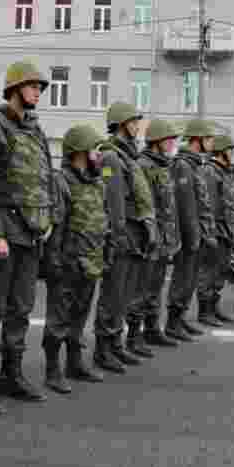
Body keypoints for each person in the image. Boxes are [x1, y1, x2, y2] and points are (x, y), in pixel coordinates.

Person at [0, 60, 55, 414]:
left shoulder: (34, 129)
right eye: (33, 85)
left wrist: (47, 219)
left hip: (32, 234)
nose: (38, 92)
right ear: (15, 87)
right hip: (4, 234)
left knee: (21, 308)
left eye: (40, 86)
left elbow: (46, 177)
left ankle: (12, 374)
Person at [40, 123, 107, 393]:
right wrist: (53, 261)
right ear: (80, 151)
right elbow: (57, 223)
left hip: (91, 261)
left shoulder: (96, 183)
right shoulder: (62, 181)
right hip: (68, 262)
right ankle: (52, 370)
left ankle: (75, 363)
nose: (98, 154)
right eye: (95, 149)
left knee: (80, 315)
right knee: (58, 319)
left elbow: (102, 221)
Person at [94, 103, 157, 371]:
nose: (136, 126)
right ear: (121, 124)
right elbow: (114, 201)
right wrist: (117, 237)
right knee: (113, 293)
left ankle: (116, 344)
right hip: (121, 234)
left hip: (133, 234)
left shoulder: (127, 156)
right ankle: (103, 349)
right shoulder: (111, 157)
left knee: (125, 293)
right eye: (132, 121)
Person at [166, 119, 217, 339]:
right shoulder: (183, 165)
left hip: (197, 233)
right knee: (183, 277)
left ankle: (181, 319)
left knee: (191, 278)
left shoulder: (195, 164)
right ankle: (172, 323)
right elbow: (186, 206)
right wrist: (193, 236)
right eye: (208, 139)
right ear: (198, 140)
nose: (212, 143)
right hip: (189, 235)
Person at [137, 120, 182, 349]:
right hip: (151, 238)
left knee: (155, 287)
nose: (172, 143)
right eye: (169, 139)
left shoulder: (163, 165)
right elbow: (146, 205)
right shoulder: (144, 165)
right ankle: (136, 334)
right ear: (157, 141)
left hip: (164, 238)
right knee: (144, 288)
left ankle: (152, 328)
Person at [196, 134, 234, 325]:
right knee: (209, 272)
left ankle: (214, 309)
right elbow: (211, 206)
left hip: (226, 231)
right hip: (216, 231)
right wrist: (211, 233)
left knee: (219, 272)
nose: (232, 153)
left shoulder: (224, 172)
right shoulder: (210, 171)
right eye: (230, 150)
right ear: (222, 152)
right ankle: (204, 312)